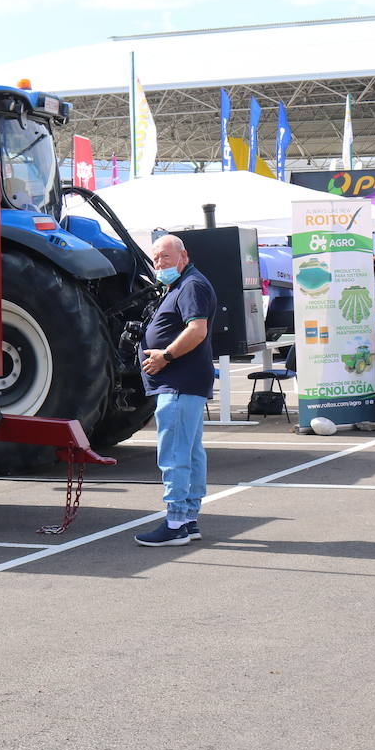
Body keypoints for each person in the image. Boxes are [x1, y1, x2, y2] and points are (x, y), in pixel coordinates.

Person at [134, 234, 218, 546]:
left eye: (165, 258)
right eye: (155, 259)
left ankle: (175, 522)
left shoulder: (191, 285)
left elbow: (197, 329)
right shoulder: (184, 284)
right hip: (184, 383)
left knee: (174, 454)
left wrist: (165, 356)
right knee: (190, 452)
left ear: (183, 256)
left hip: (179, 383)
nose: (159, 264)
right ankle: (188, 519)